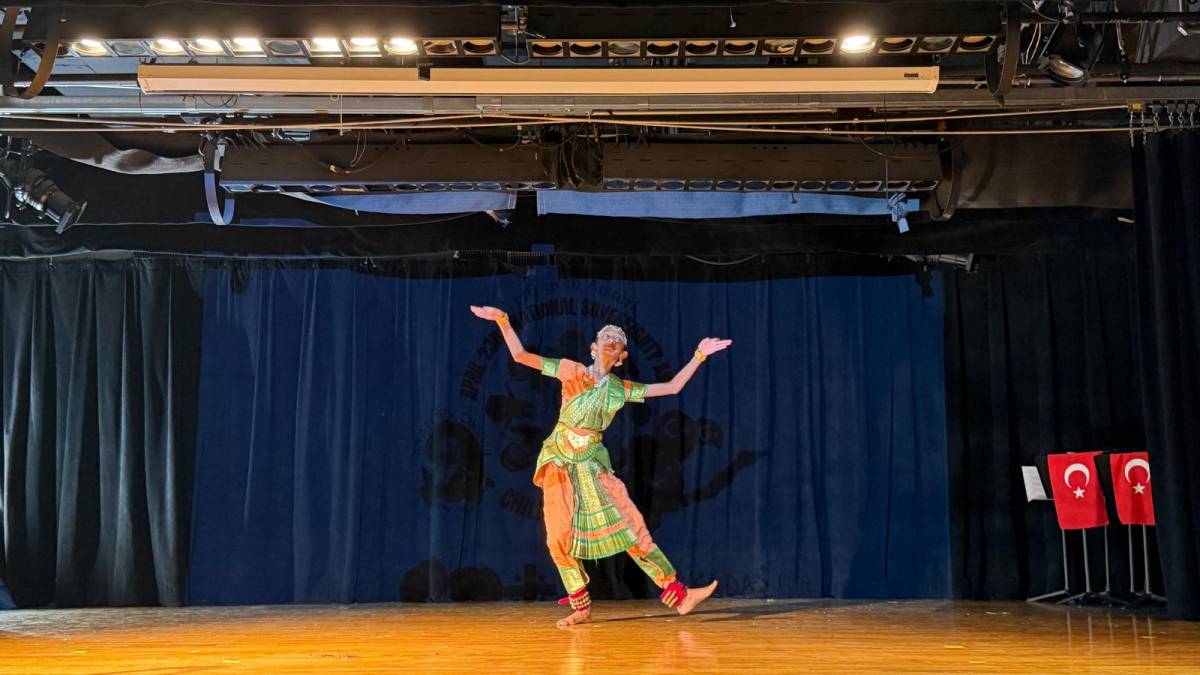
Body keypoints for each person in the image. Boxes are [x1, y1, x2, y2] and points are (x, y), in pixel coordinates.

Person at [469, 305, 732, 628]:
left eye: (617, 339)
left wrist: (699, 355)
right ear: (593, 348)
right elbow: (521, 356)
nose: (611, 339)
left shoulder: (620, 389)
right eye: (606, 336)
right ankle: (581, 606)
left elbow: (673, 387)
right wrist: (503, 321)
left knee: (631, 526)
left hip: (593, 463)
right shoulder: (570, 370)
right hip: (559, 461)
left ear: (621, 356)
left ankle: (679, 595)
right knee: (557, 537)